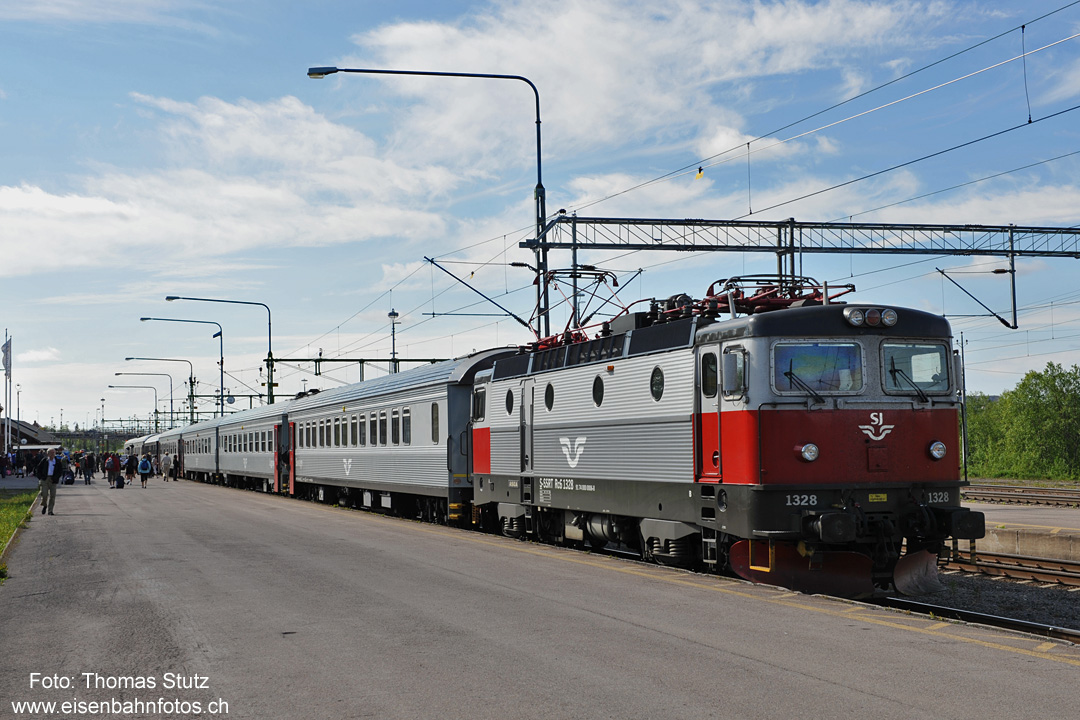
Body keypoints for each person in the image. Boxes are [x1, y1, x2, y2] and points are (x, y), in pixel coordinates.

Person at [34, 448, 66, 515]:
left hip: (53, 480)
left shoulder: (57, 461)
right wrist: (40, 477)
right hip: (45, 479)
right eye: (51, 453)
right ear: (48, 454)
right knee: (44, 494)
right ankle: (44, 505)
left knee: (52, 496)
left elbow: (60, 471)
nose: (52, 454)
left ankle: (50, 511)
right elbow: (38, 469)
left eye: (53, 453)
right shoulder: (44, 461)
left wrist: (55, 478)